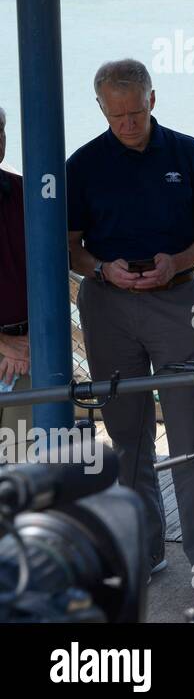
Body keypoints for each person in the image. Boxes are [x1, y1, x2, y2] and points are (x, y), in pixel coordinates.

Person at [65, 61, 194, 604]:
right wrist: (100, 269)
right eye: (117, 116)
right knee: (127, 434)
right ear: (101, 109)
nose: (128, 124)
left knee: (191, 436)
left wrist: (176, 260)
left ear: (153, 99)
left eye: (135, 111)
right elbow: (69, 244)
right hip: (107, 304)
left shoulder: (188, 152)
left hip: (179, 298)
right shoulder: (83, 164)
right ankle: (147, 548)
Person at [0, 104, 32, 452]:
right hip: (11, 348)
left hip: (27, 349)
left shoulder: (26, 195)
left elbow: (52, 273)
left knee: (23, 460)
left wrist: (30, 341)